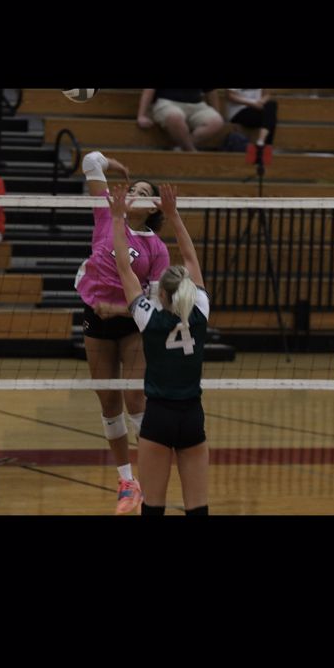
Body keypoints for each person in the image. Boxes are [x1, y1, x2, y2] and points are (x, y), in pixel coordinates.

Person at [107, 182, 210, 518]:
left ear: (161, 296)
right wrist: (174, 215)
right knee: (198, 509)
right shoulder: (201, 311)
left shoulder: (148, 318)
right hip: (192, 416)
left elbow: (124, 268)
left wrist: (117, 219)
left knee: (153, 508)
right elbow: (191, 258)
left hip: (159, 417)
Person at [77, 149, 171, 515]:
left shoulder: (156, 248)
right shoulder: (106, 213)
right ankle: (126, 480)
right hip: (96, 319)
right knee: (109, 403)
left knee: (135, 400)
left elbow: (157, 300)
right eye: (133, 189)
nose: (134, 193)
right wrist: (115, 166)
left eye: (144, 193)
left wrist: (119, 308)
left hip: (133, 323)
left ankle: (149, 476)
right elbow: (90, 161)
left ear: (153, 208)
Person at [137, 89, 226, 151]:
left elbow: (211, 91)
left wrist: (217, 112)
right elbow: (149, 90)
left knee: (216, 121)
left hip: (197, 104)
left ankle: (181, 148)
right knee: (175, 116)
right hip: (167, 102)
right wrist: (141, 115)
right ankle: (191, 151)